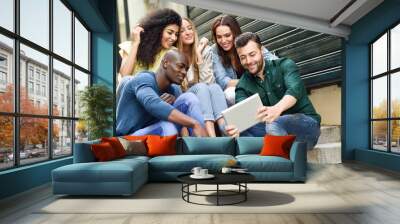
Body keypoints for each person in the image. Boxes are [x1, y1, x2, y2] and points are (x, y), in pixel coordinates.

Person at [225, 32, 321, 150]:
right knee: (243, 133)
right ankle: (274, 154)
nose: (248, 61)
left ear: (261, 50)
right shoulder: (242, 85)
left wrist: (276, 109)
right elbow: (243, 114)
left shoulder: (285, 65)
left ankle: (280, 158)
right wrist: (237, 128)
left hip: (305, 126)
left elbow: (294, 91)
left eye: (252, 54)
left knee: (274, 123)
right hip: (271, 130)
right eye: (243, 57)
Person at [116, 49, 207, 137]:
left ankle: (203, 143)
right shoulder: (143, 79)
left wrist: (175, 102)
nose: (184, 72)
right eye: (180, 66)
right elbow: (153, 104)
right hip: (127, 139)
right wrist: (194, 123)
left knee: (189, 97)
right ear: (165, 63)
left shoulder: (174, 89)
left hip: (155, 132)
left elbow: (182, 123)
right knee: (169, 128)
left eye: (186, 69)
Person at [211, 15, 278, 105]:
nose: (223, 41)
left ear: (235, 33)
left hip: (261, 85)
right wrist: (250, 82)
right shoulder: (215, 51)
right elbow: (223, 81)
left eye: (227, 35)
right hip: (240, 89)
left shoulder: (246, 41)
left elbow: (273, 60)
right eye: (219, 37)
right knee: (229, 94)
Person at [178, 18, 228, 137]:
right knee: (201, 87)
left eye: (190, 28)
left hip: (203, 92)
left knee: (215, 87)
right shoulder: (175, 54)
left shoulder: (205, 50)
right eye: (182, 31)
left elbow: (209, 82)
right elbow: (185, 84)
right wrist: (196, 56)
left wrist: (199, 54)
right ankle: (211, 137)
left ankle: (225, 131)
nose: (188, 32)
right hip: (185, 96)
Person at [118, 8, 181, 81]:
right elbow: (125, 76)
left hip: (155, 91)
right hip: (132, 90)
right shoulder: (130, 46)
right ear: (158, 31)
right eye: (170, 33)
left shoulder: (172, 52)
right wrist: (135, 44)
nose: (174, 38)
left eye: (176, 34)